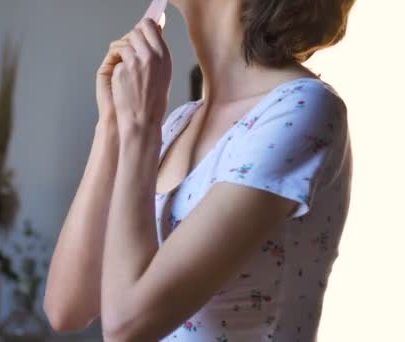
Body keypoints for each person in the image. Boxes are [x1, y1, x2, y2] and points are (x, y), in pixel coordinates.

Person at [44, 0, 355, 341]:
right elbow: (66, 308)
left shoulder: (299, 110)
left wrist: (140, 129)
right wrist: (113, 126)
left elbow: (125, 326)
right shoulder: (179, 123)